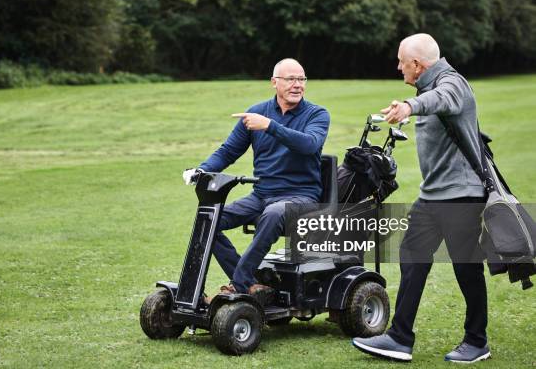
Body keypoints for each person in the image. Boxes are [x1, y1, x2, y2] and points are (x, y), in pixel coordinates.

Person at [351, 34, 491, 363]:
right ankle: (400, 337)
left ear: (417, 65)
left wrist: (410, 107)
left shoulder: (452, 83)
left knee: (466, 268)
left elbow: (442, 99)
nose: (398, 67)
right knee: (412, 257)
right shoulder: (427, 87)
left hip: (462, 195)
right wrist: (410, 104)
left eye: (402, 62)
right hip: (432, 196)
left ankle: (477, 340)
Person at [183, 58, 330, 300]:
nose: (297, 85)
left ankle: (238, 285)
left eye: (301, 79)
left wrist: (270, 125)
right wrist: (201, 170)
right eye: (290, 79)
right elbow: (228, 151)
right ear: (274, 82)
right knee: (208, 220)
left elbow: (309, 144)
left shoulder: (317, 114)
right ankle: (250, 284)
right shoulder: (256, 113)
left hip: (301, 197)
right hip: (261, 194)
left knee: (273, 213)